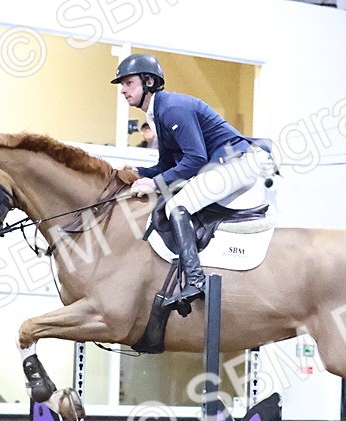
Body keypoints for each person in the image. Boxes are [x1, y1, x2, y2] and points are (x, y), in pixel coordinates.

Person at [111, 53, 274, 310]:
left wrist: (154, 184)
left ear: (149, 82)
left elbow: (195, 159)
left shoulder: (171, 108)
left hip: (236, 162)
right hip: (226, 164)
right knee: (180, 202)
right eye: (122, 85)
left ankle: (196, 280)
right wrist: (139, 171)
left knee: (175, 206)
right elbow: (167, 165)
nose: (123, 90)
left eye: (128, 83)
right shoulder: (158, 113)